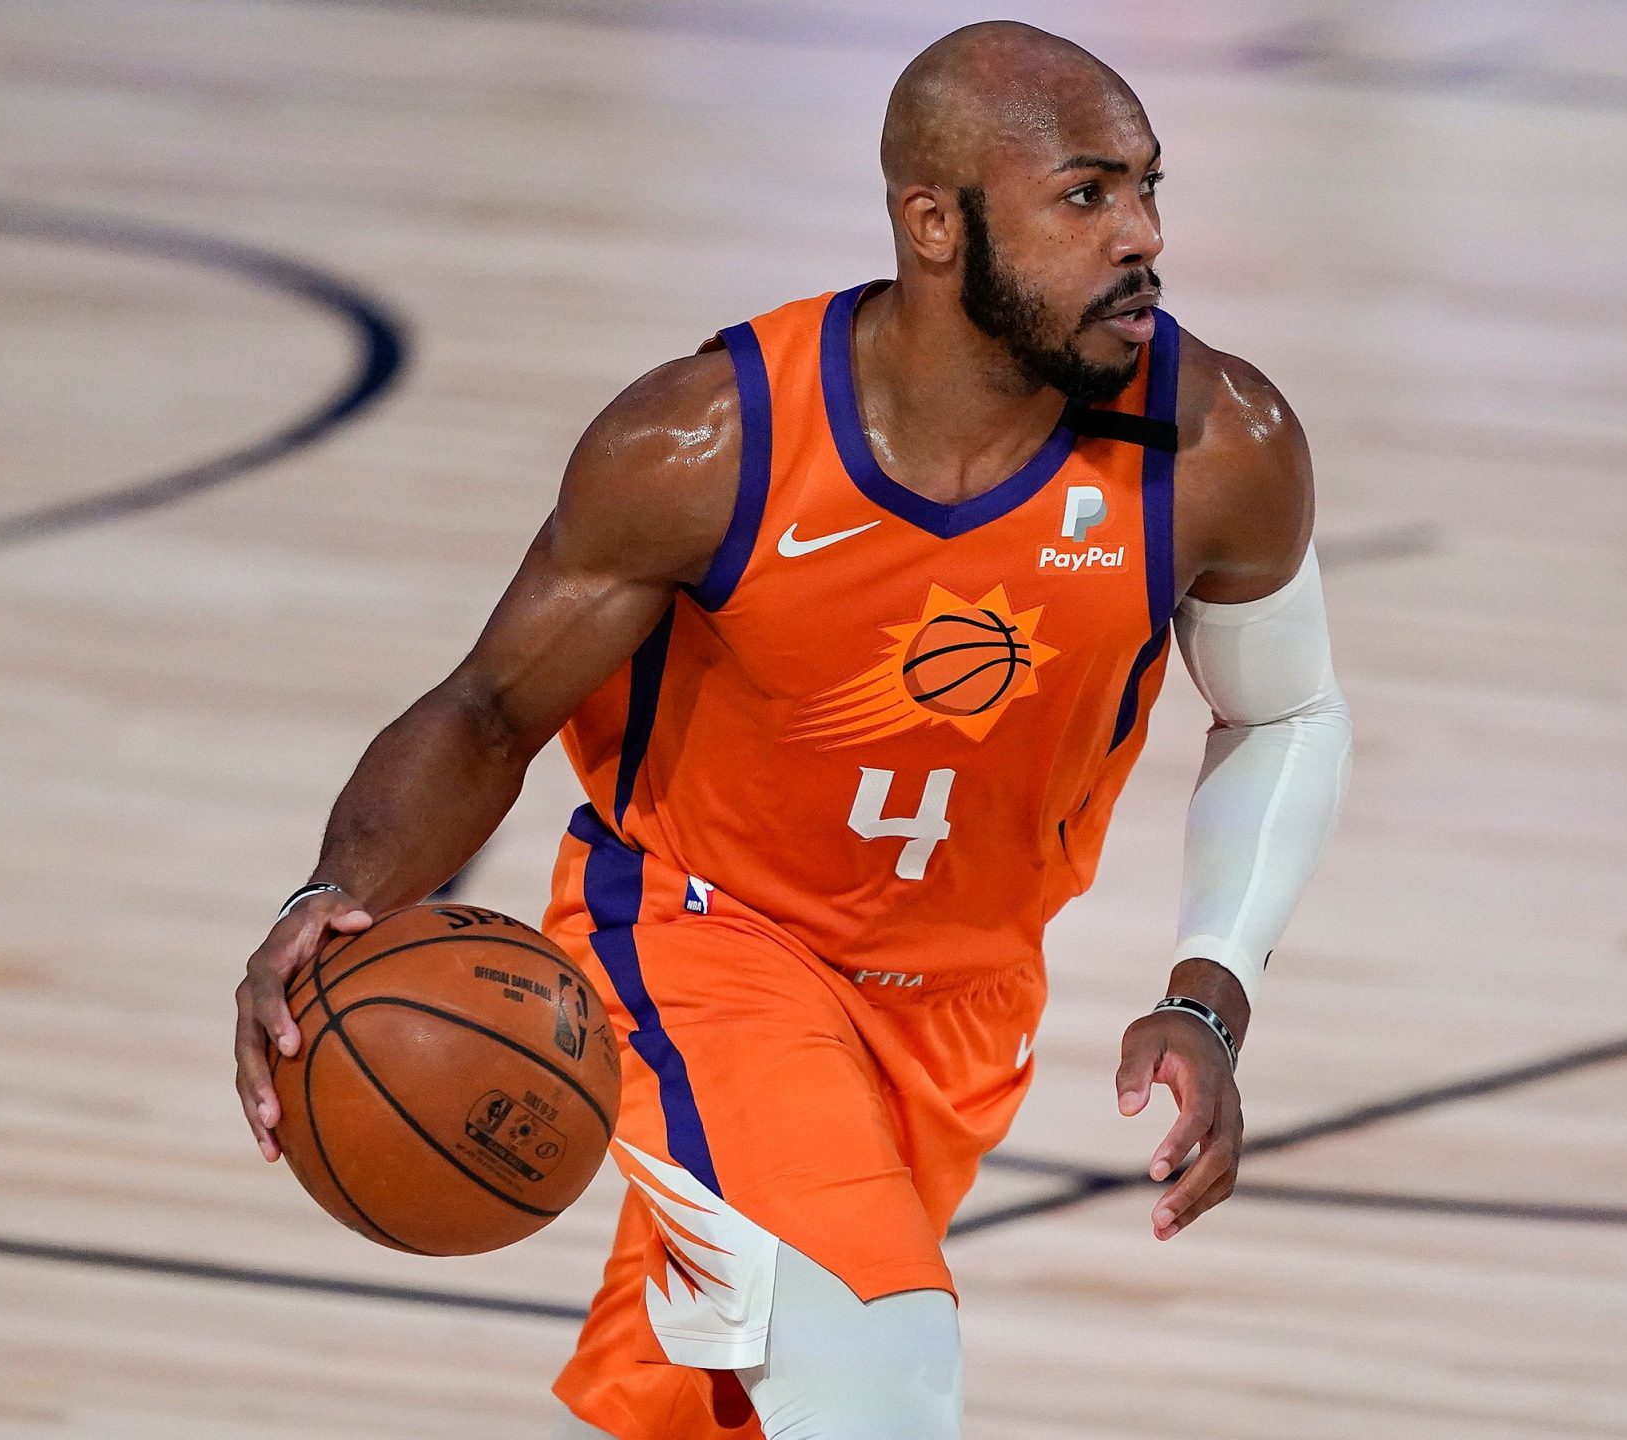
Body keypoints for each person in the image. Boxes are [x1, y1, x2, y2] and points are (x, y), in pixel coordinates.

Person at [231, 20, 1351, 1439]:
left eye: (1148, 187)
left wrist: (1209, 994)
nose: (1141, 237)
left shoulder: (1219, 445)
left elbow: (1287, 710)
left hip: (959, 1004)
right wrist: (335, 896)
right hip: (702, 947)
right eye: (1086, 196)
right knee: (878, 1371)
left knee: (713, 1417)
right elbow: (486, 709)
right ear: (933, 223)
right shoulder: (708, 446)